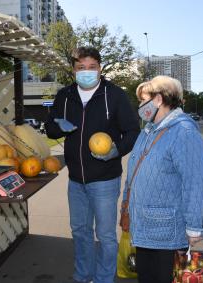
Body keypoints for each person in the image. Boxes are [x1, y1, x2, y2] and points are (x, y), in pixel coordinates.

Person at [45, 46, 140, 283]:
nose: (86, 72)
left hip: (105, 179)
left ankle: (103, 279)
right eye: (81, 68)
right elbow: (50, 127)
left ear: (100, 68)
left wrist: (116, 151)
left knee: (106, 236)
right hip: (76, 179)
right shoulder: (64, 95)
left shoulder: (114, 95)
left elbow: (132, 131)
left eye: (91, 67)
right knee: (80, 232)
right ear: (73, 70)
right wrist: (59, 125)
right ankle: (82, 276)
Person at [121, 76, 203, 283]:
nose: (140, 105)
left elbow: (196, 183)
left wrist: (195, 226)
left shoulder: (184, 132)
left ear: (158, 99)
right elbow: (134, 173)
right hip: (143, 228)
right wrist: (126, 209)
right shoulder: (148, 131)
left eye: (144, 100)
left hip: (167, 234)